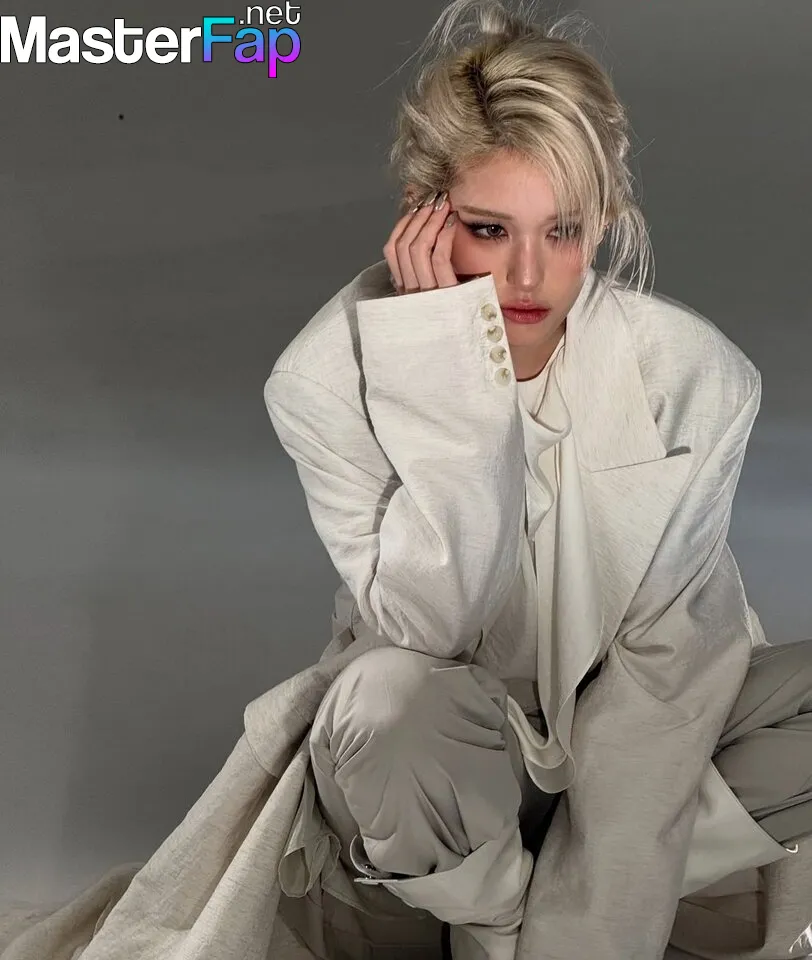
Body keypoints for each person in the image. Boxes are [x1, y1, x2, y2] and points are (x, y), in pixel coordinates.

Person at [1, 2, 811, 960]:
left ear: (604, 220)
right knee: (386, 701)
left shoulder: (697, 377)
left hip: (634, 756)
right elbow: (432, 627)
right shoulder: (323, 377)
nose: (528, 274)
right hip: (438, 776)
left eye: (562, 230)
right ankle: (496, 923)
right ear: (424, 214)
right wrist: (445, 379)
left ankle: (558, 920)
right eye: (488, 228)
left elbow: (666, 684)